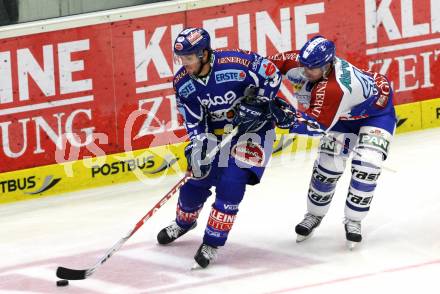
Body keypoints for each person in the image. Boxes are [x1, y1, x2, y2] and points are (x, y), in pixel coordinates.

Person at [156, 27, 282, 268]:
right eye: (180, 59)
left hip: (254, 133)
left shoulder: (237, 62)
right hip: (215, 135)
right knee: (195, 181)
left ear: (204, 54)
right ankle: (184, 223)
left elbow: (272, 73)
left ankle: (212, 242)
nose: (184, 64)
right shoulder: (183, 83)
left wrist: (259, 103)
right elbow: (192, 119)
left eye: (189, 58)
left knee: (231, 183)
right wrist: (198, 144)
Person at [267, 35, 397, 249]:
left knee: (368, 165)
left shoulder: (335, 88)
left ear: (327, 66)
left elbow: (314, 126)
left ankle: (354, 219)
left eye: (313, 68)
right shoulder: (301, 62)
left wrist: (279, 117)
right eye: (304, 65)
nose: (306, 71)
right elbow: (262, 67)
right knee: (328, 165)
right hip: (342, 115)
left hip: (375, 115)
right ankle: (314, 215)